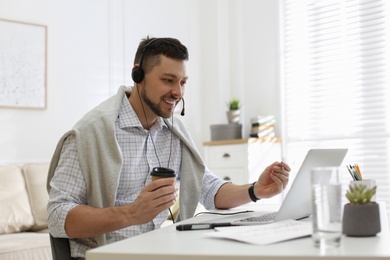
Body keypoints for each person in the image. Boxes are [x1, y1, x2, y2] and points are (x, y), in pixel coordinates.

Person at [47, 36, 291, 259]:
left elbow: (209, 189)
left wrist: (255, 191)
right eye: (168, 80)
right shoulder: (89, 134)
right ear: (138, 76)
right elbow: (57, 216)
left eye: (183, 82)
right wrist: (130, 214)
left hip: (156, 251)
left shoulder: (174, 134)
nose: (178, 92)